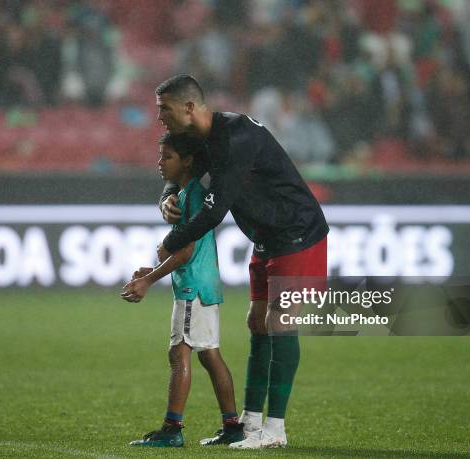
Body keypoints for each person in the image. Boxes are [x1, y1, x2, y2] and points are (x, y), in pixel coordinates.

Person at [153, 74, 328, 449]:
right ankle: (249, 424)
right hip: (267, 235)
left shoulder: (235, 138)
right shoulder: (205, 138)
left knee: (280, 322)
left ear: (188, 107)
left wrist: (171, 241)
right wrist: (168, 194)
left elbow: (214, 212)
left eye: (164, 110)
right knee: (256, 321)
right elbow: (184, 166)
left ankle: (275, 430)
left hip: (295, 230)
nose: (160, 118)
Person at [121, 132, 244, 447]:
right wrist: (153, 271)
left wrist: (148, 280)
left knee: (180, 353)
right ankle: (232, 426)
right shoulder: (194, 194)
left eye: (167, 157)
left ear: (187, 160)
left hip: (192, 288)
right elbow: (187, 250)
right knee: (210, 356)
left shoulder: (191, 197)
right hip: (205, 284)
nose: (160, 163)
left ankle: (172, 430)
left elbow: (185, 250)